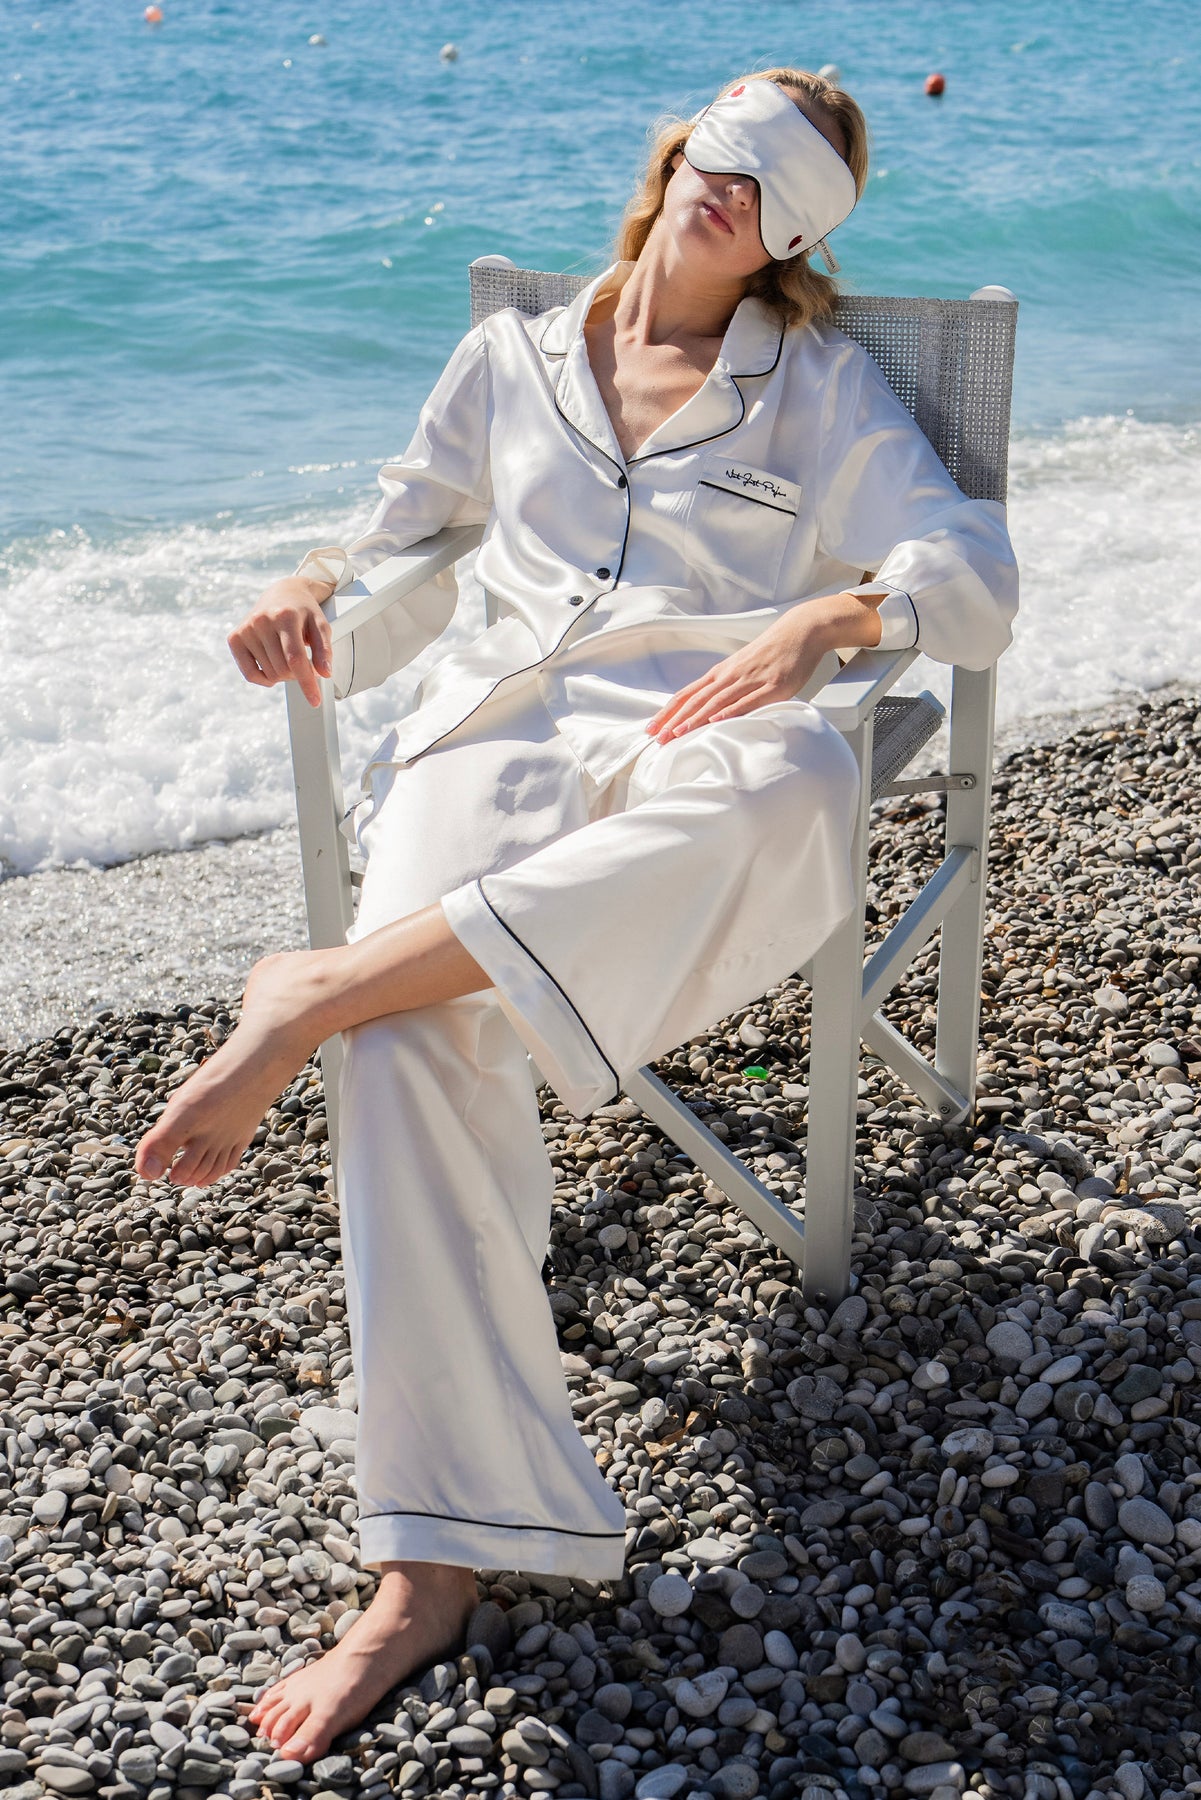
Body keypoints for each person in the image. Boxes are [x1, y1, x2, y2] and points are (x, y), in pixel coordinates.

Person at [134, 67, 1017, 1763]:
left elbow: (969, 572)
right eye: (727, 156)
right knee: (406, 1051)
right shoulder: (511, 357)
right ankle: (426, 1570)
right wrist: (307, 594)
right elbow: (398, 549)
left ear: (796, 239)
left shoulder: (816, 383)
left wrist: (830, 618)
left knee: (802, 781)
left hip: (703, 735)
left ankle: (316, 985)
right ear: (677, 151)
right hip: (499, 729)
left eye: (780, 190)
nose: (735, 193)